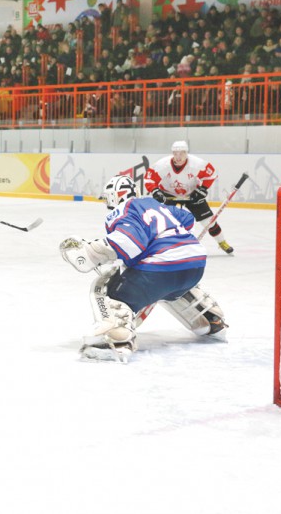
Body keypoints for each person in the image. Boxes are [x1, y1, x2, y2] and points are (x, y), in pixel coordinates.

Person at [60, 174, 227, 363]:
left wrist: (91, 252)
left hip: (161, 270)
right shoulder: (155, 204)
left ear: (115, 196)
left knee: (106, 288)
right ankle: (210, 319)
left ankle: (113, 340)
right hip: (195, 266)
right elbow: (187, 218)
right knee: (169, 286)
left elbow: (129, 242)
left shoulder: (123, 210)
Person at [144, 141, 234, 254]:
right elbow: (149, 179)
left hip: (192, 194)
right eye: (176, 153)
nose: (178, 157)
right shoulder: (162, 165)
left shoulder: (197, 164)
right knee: (163, 222)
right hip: (168, 194)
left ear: (187, 153)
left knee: (209, 222)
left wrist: (202, 189)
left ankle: (222, 242)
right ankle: (159, 246)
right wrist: (155, 191)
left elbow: (211, 175)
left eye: (182, 153)